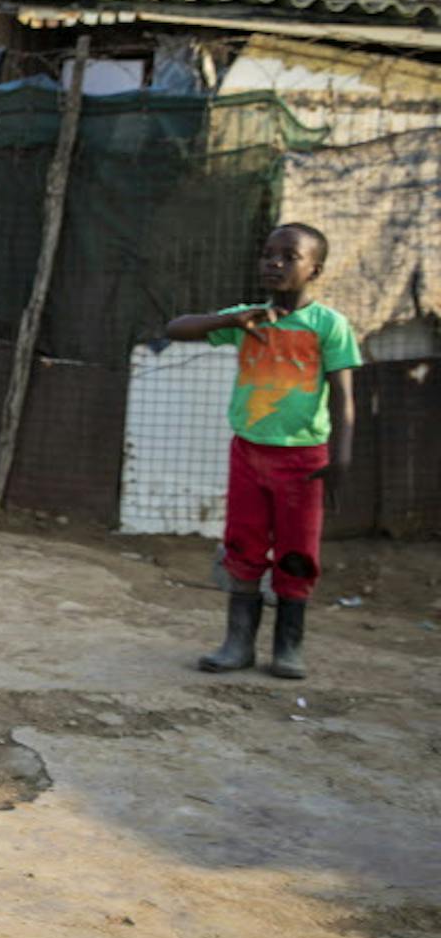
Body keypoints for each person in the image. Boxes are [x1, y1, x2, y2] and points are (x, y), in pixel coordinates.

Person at [165, 223, 360, 680]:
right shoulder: (247, 318)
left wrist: (342, 456)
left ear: (315, 270)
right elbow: (175, 329)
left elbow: (344, 398)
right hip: (249, 454)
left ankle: (288, 648)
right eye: (268, 254)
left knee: (297, 552)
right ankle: (238, 644)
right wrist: (230, 321)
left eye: (288, 256)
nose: (273, 263)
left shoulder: (328, 325)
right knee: (243, 544)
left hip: (304, 462)